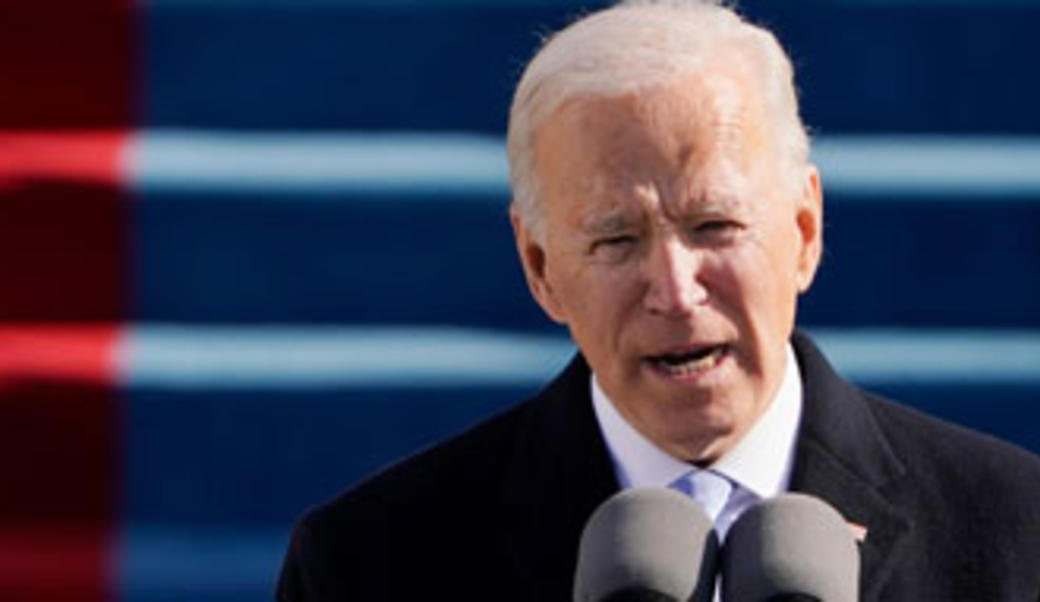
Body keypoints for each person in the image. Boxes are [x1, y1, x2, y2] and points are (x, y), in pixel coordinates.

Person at [277, 1, 1040, 600]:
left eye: (714, 226)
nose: (675, 291)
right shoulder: (366, 563)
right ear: (539, 266)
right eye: (615, 241)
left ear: (804, 232)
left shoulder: (1014, 530)